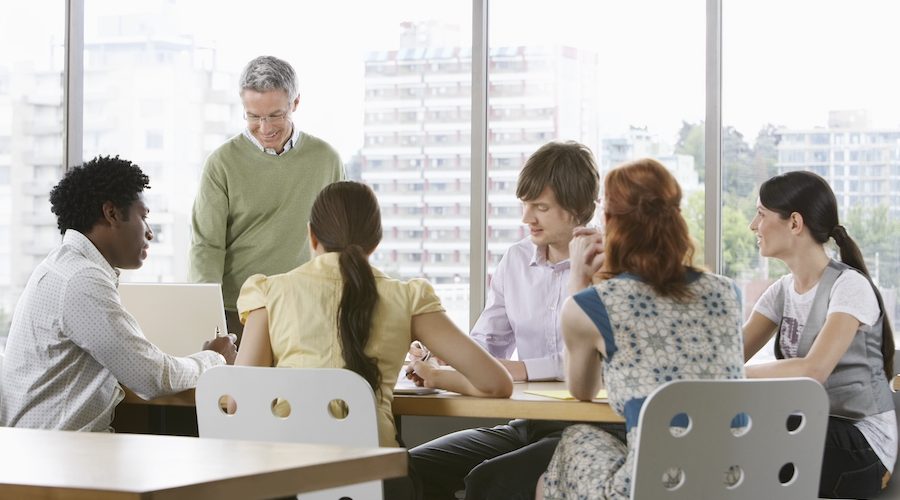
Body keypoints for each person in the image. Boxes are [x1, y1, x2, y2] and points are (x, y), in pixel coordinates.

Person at [232, 181, 513, 499]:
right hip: (376, 481)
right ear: (376, 241)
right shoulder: (407, 297)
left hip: (282, 481)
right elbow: (496, 383)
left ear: (312, 236)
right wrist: (437, 376)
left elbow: (236, 402)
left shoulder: (270, 292)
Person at [538, 158, 745, 500]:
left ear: (609, 222)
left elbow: (583, 390)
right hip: (733, 484)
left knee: (574, 439)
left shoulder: (592, 305)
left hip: (655, 488)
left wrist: (579, 277)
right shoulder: (728, 293)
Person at [410, 141, 606, 500]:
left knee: (490, 481)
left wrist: (521, 369)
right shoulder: (515, 260)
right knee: (412, 468)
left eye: (541, 207)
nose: (526, 218)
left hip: (595, 429)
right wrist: (444, 358)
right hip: (527, 422)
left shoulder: (612, 265)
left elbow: (603, 363)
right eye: (525, 204)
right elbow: (487, 341)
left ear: (579, 209)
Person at [0, 155, 236, 432]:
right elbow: (150, 378)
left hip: (47, 449)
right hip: (58, 457)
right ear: (111, 213)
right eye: (143, 217)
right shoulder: (81, 280)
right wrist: (213, 358)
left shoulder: (63, 267)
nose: (149, 233)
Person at [742, 170, 896, 498]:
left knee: (754, 442)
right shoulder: (781, 291)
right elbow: (730, 354)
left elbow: (814, 370)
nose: (753, 226)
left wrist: (736, 375)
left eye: (760, 214)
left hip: (864, 446)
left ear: (794, 223)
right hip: (814, 427)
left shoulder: (849, 286)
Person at [189, 55, 344, 343]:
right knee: (237, 389)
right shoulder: (221, 163)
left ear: (295, 103)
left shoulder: (326, 160)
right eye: (253, 116)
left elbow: (339, 242)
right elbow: (206, 247)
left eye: (275, 115)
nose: (265, 127)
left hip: (305, 311)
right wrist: (204, 316)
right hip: (236, 313)